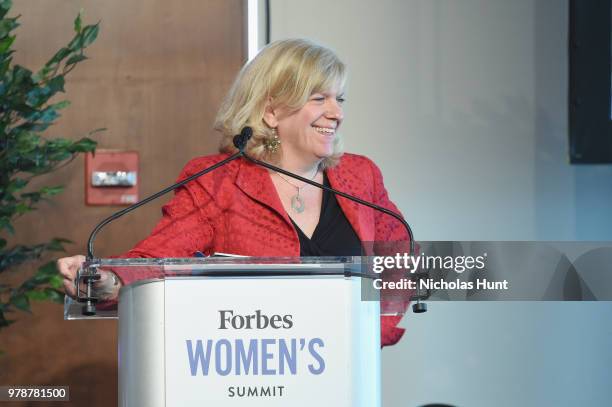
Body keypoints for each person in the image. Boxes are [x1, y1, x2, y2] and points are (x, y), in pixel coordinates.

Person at [58, 39, 410, 346]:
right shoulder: (217, 181)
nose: (337, 113)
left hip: (344, 379)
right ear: (271, 111)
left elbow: (402, 262)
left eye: (340, 99)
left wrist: (367, 335)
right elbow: (156, 262)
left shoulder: (361, 177)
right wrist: (105, 282)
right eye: (319, 99)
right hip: (248, 376)